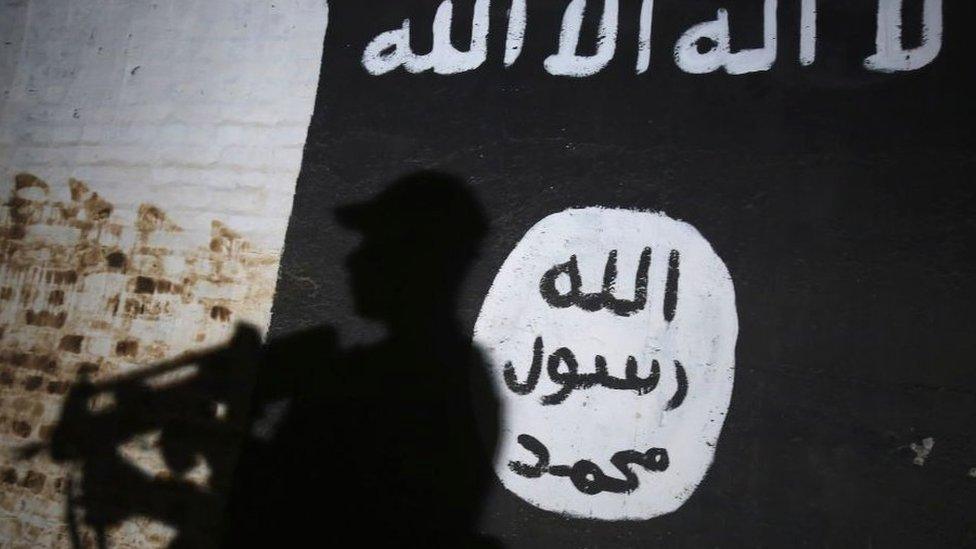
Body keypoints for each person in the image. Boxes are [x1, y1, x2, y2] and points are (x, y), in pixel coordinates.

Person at [223, 172, 500, 547]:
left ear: (417, 259)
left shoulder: (395, 377)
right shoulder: (446, 370)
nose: (355, 260)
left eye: (376, 243)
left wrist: (236, 419)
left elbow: (295, 506)